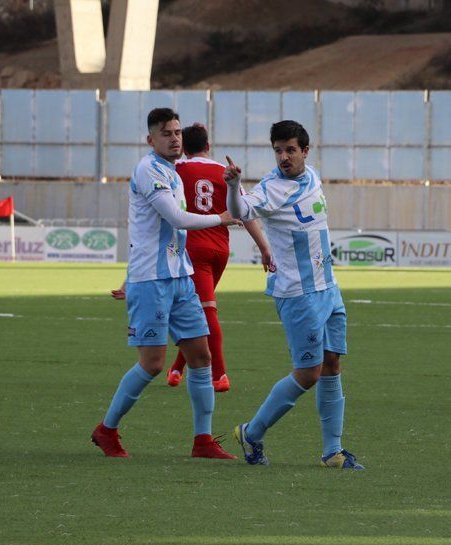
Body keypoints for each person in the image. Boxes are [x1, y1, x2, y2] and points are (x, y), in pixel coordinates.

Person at [91, 108, 240, 459]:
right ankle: (106, 430)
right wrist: (220, 217)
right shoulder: (148, 170)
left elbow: (150, 231)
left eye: (177, 132)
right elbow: (174, 217)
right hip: (153, 280)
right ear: (150, 139)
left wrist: (232, 188)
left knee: (201, 357)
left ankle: (203, 441)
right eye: (166, 133)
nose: (174, 138)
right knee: (154, 364)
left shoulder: (173, 172)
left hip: (180, 276)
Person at [223, 120, 364, 470]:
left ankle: (333, 451)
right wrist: (234, 185)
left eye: (289, 149)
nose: (283, 157)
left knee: (332, 365)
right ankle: (252, 433)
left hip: (328, 288)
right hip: (298, 294)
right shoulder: (271, 189)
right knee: (308, 373)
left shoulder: (312, 176)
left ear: (305, 151)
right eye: (277, 150)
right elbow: (240, 211)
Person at [165, 123, 272, 392]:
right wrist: (264, 247)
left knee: (204, 311)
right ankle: (177, 368)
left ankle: (219, 374)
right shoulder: (223, 172)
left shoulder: (176, 170)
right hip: (220, 250)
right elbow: (246, 213)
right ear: (208, 146)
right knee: (198, 309)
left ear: (184, 148)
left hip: (193, 250)